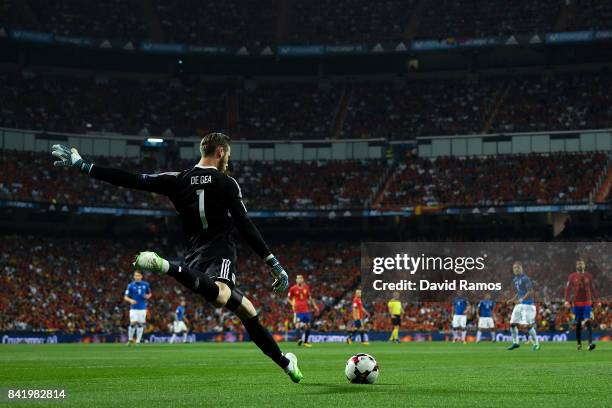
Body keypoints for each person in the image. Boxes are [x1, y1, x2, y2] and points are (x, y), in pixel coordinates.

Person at [51, 133, 303, 383]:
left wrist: (85, 166)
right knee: (222, 296)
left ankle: (285, 363)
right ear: (221, 153)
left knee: (248, 310)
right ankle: (165, 265)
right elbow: (245, 225)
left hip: (194, 258)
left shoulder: (177, 179)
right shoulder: (227, 183)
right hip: (219, 252)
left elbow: (131, 180)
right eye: (228, 155)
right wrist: (273, 263)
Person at [564, 257, 597, 351]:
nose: (580, 265)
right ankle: (579, 344)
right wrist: (566, 300)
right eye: (579, 264)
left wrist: (597, 300)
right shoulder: (572, 276)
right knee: (578, 324)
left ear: (584, 265)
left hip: (587, 302)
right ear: (576, 265)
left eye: (582, 263)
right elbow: (567, 289)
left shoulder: (589, 276)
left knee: (589, 322)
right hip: (576, 303)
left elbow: (593, 288)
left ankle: (590, 344)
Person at [507, 261, 540, 351]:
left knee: (527, 326)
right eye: (514, 268)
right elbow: (519, 292)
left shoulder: (525, 278)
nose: (516, 269)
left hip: (528, 305)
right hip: (520, 305)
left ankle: (536, 344)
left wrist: (521, 299)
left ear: (521, 268)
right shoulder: (515, 279)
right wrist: (512, 299)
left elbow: (530, 291)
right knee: (512, 324)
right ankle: (515, 342)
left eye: (518, 267)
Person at [288, 275, 318, 347]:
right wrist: (292, 304)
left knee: (308, 326)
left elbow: (310, 297)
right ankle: (299, 339)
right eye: (298, 278)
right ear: (296, 280)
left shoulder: (306, 287)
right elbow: (288, 298)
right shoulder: (293, 288)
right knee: (297, 325)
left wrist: (315, 306)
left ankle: (305, 342)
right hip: (298, 310)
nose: (299, 279)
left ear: (303, 279)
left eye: (300, 278)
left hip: (306, 310)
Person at [124, 270, 151, 345]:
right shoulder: (130, 285)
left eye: (139, 276)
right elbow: (125, 297)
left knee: (140, 324)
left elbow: (149, 294)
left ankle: (138, 341)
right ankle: (130, 340)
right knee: (132, 323)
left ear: (141, 276)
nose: (137, 277)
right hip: (133, 308)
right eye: (136, 276)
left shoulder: (146, 284)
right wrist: (130, 300)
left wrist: (147, 296)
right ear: (134, 277)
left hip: (142, 308)